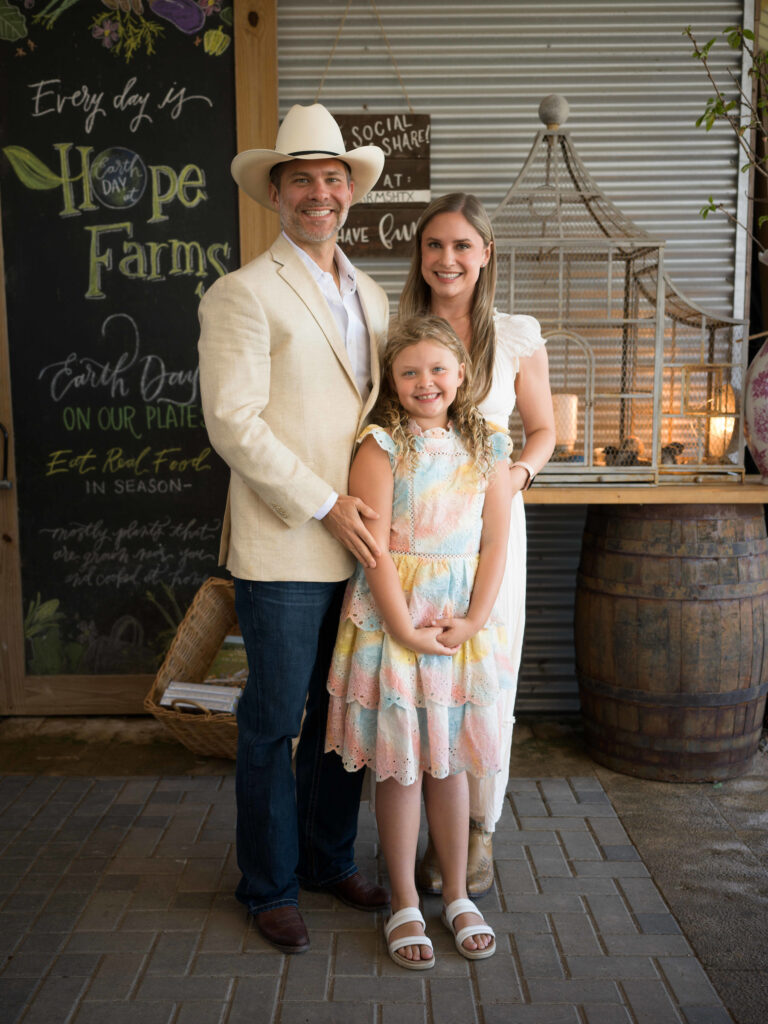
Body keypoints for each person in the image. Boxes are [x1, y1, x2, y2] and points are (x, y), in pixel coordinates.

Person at [197, 103, 391, 954]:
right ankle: (268, 884)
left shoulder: (374, 292)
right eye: (303, 178)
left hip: (364, 544)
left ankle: (326, 859)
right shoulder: (240, 293)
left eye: (332, 178)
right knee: (276, 721)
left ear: (350, 193)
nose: (320, 192)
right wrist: (323, 501)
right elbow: (233, 422)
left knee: (342, 715)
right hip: (285, 540)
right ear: (276, 192)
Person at [326, 314, 514, 969]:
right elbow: (373, 544)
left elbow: (496, 539)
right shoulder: (380, 444)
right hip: (396, 614)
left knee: (450, 759)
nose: (425, 382)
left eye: (438, 369)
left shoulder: (488, 444)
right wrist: (403, 624)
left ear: (462, 374)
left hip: (458, 615)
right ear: (392, 381)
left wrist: (475, 617)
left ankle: (457, 893)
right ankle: (405, 899)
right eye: (409, 371)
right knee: (402, 760)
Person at [399, 193, 555, 896]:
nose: (448, 259)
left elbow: (546, 429)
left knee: (486, 669)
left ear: (486, 253)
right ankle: (424, 828)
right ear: (421, 255)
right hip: (417, 533)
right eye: (436, 245)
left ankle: (477, 829)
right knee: (418, 673)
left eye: (463, 245)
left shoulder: (516, 334)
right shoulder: (401, 328)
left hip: (491, 526)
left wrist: (517, 474)